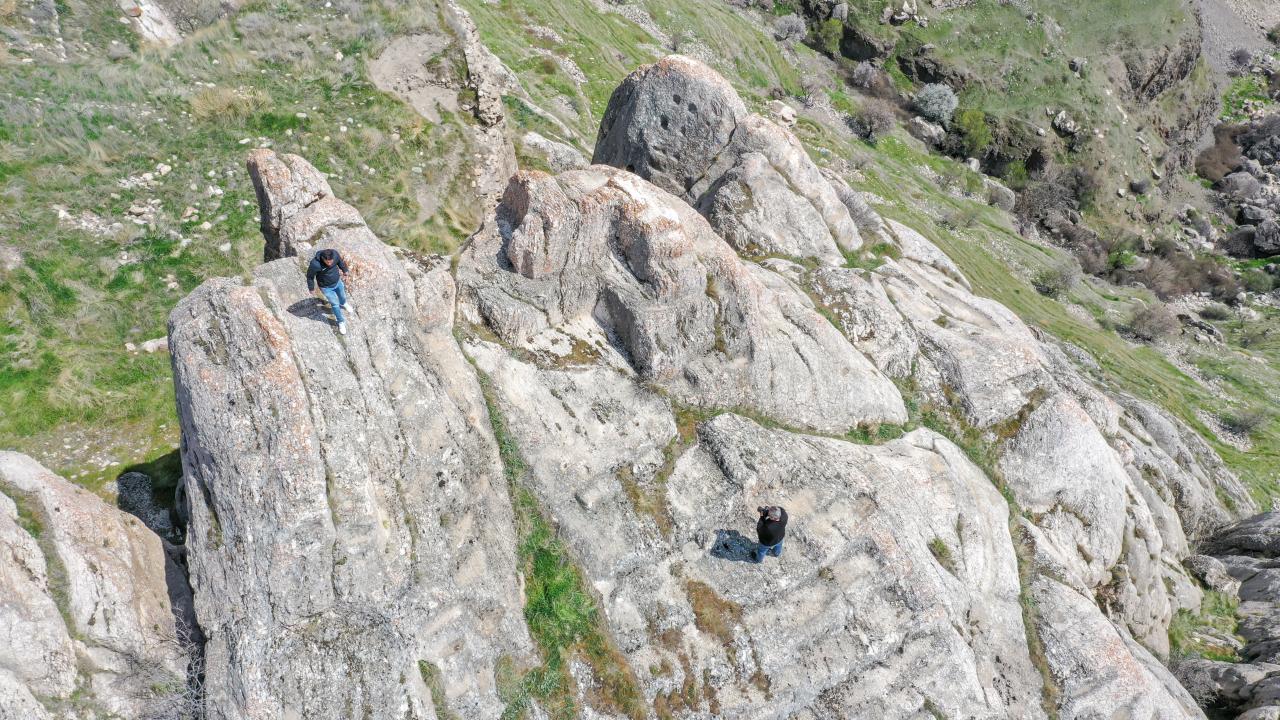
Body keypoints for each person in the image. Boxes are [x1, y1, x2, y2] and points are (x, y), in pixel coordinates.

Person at [307, 248, 350, 335]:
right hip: (326, 287)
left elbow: (340, 262)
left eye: (331, 261)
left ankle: (344, 303)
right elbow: (310, 276)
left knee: (342, 296)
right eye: (328, 262)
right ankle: (341, 322)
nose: (330, 264)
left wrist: (344, 270)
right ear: (323, 259)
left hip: (338, 282)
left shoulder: (335, 254)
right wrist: (311, 288)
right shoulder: (315, 264)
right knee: (335, 304)